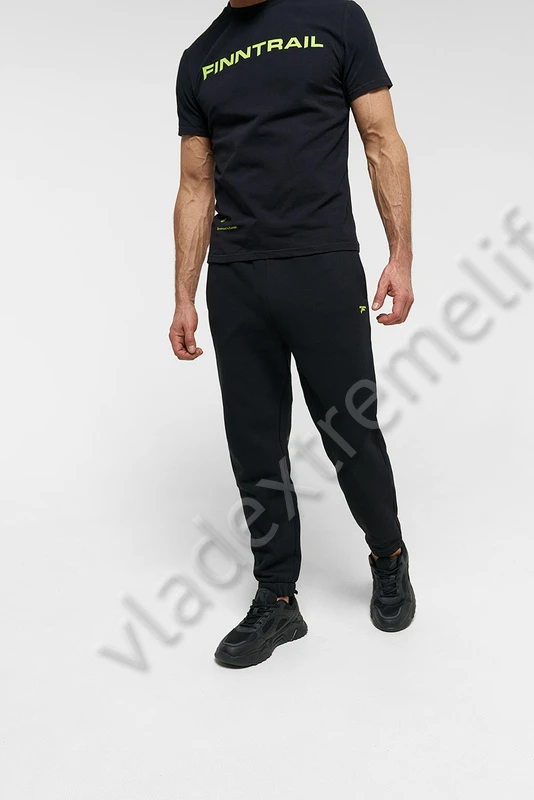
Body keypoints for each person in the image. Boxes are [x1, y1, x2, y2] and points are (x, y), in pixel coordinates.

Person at [170, 0, 416, 668]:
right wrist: (184, 294)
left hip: (322, 263)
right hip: (236, 277)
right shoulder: (199, 58)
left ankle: (388, 555)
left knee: (350, 430)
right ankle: (277, 598)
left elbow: (380, 138)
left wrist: (400, 256)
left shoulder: (335, 18)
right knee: (255, 446)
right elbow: (195, 183)